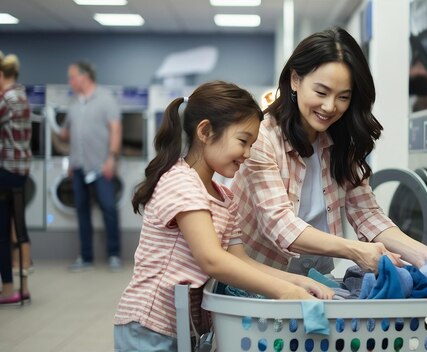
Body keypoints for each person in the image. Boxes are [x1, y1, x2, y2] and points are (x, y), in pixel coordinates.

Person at [113, 81, 333, 351]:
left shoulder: (223, 197)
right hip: (149, 327)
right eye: (243, 141)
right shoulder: (181, 182)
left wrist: (298, 281)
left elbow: (239, 259)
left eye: (252, 144)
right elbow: (212, 260)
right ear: (205, 131)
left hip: (183, 329)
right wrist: (282, 291)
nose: (248, 154)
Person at [231, 27, 427, 276]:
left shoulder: (341, 140)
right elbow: (280, 226)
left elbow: (367, 214)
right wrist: (355, 250)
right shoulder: (262, 139)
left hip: (317, 278)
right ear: (295, 80)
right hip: (259, 282)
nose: (330, 107)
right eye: (321, 92)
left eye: (343, 97)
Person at [57, 60, 123, 272]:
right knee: (82, 212)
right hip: (78, 166)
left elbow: (115, 129)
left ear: (84, 77)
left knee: (109, 208)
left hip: (100, 165)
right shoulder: (74, 103)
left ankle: (114, 254)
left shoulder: (105, 99)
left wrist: (111, 158)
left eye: (72, 77)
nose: (70, 81)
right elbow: (67, 134)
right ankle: (86, 257)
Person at [0, 52, 32, 304]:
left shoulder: (5, 99)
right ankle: (25, 284)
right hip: (22, 170)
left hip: (5, 170)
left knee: (2, 230)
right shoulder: (22, 96)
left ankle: (8, 289)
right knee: (19, 227)